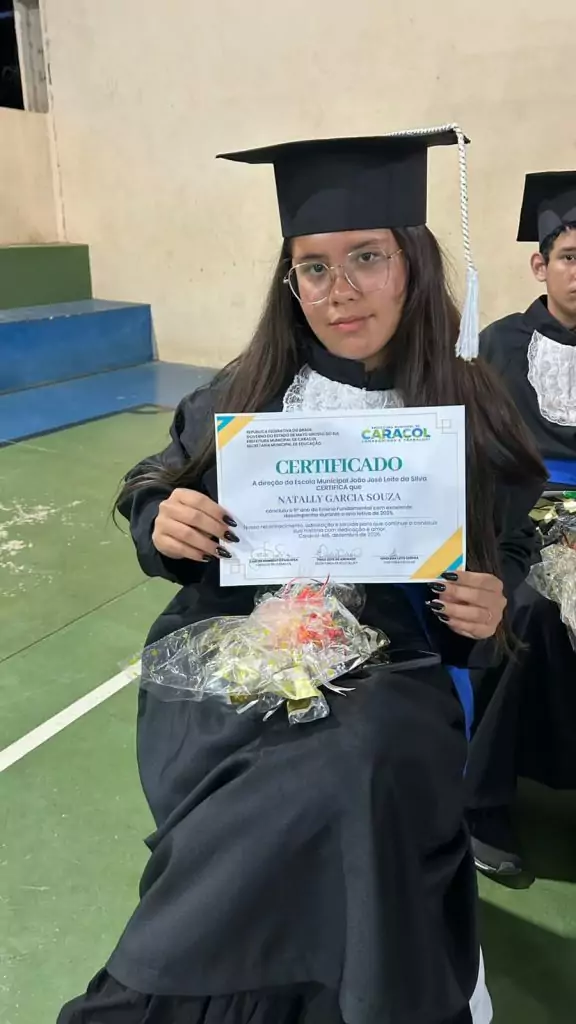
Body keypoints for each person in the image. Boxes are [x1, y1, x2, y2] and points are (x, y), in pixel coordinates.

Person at [57, 127, 545, 1024]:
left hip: (394, 661)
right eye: (312, 267)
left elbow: (509, 550)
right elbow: (151, 490)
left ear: (414, 266)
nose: (340, 290)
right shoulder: (249, 390)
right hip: (232, 653)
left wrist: (492, 604)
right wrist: (165, 524)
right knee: (290, 769)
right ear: (290, 281)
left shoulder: (468, 401)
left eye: (366, 257)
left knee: (357, 762)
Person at [467, 171, 576, 876]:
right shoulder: (498, 345)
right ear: (540, 264)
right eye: (571, 256)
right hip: (523, 519)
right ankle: (483, 799)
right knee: (529, 611)